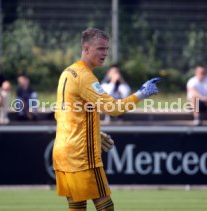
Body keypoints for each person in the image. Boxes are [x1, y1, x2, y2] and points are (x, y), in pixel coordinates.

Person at [53, 28, 160, 211]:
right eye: (100, 49)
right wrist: (141, 94)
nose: (105, 54)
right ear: (86, 49)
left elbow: (62, 113)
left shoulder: (67, 72)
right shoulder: (86, 77)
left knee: (77, 206)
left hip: (62, 152)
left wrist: (94, 131)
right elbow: (114, 109)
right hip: (81, 156)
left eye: (107, 49)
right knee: (105, 206)